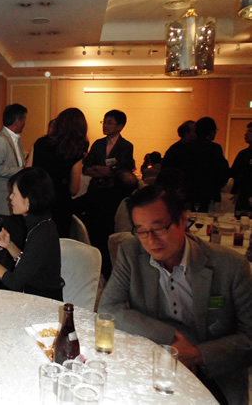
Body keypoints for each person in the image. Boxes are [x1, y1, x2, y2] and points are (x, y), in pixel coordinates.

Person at [98, 185, 252, 404]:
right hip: (153, 366)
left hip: (214, 375)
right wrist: (171, 338)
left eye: (159, 228)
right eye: (141, 231)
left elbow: (249, 337)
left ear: (182, 221)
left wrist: (197, 353)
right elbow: (109, 308)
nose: (151, 240)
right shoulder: (131, 252)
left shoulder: (230, 266)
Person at [0, 167, 63, 301]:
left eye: (14, 194)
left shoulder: (42, 233)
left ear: (28, 201)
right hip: (34, 297)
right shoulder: (41, 224)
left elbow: (14, 282)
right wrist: (9, 245)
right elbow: (29, 265)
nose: (9, 197)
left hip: (44, 303)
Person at [0, 103, 28, 287]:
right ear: (18, 120)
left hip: (11, 201)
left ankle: (9, 279)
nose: (25, 123)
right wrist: (22, 170)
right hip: (0, 202)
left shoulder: (15, 139)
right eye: (24, 119)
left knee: (12, 240)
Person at [27, 107, 89, 237]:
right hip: (60, 205)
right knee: (58, 242)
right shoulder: (74, 152)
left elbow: (27, 171)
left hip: (37, 200)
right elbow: (74, 189)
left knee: (35, 238)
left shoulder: (40, 143)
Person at [163, 117, 229, 211]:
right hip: (208, 193)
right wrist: (216, 186)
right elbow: (222, 171)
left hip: (187, 193)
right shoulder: (214, 148)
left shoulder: (183, 148)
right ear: (211, 132)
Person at [83, 109, 135, 191]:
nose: (105, 125)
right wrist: (106, 171)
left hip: (115, 189)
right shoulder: (97, 144)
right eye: (104, 122)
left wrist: (96, 168)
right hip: (95, 188)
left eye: (109, 123)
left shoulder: (126, 146)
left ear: (120, 127)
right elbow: (86, 168)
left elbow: (121, 170)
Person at [230, 122, 252, 216]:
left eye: (250, 131)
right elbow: (234, 172)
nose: (246, 134)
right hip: (241, 197)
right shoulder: (243, 154)